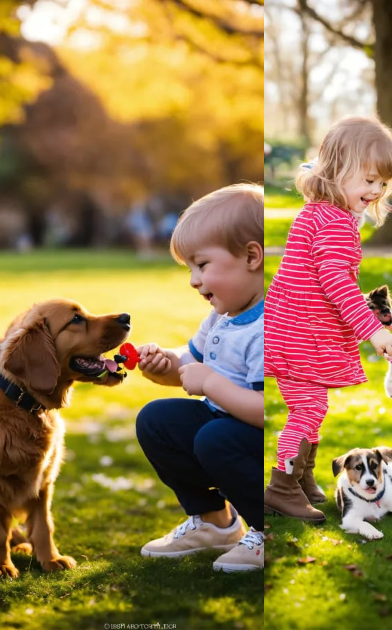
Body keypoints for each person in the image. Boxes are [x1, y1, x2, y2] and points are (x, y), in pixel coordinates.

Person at [262, 116, 392, 522]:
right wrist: (372, 331)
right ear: (338, 169)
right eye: (369, 180)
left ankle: (303, 476)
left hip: (287, 327)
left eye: (383, 184)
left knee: (310, 405)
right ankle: (282, 487)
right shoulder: (337, 224)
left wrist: (369, 306)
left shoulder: (317, 213)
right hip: (301, 334)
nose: (376, 191)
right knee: (308, 408)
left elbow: (318, 284)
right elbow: (334, 283)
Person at [136, 184, 266, 572]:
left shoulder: (267, 328)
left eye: (202, 265)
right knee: (156, 421)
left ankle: (266, 527)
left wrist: (211, 384)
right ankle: (214, 523)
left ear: (251, 256)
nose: (194, 280)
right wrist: (164, 363)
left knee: (216, 437)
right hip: (228, 427)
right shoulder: (222, 318)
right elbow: (188, 363)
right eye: (190, 269)